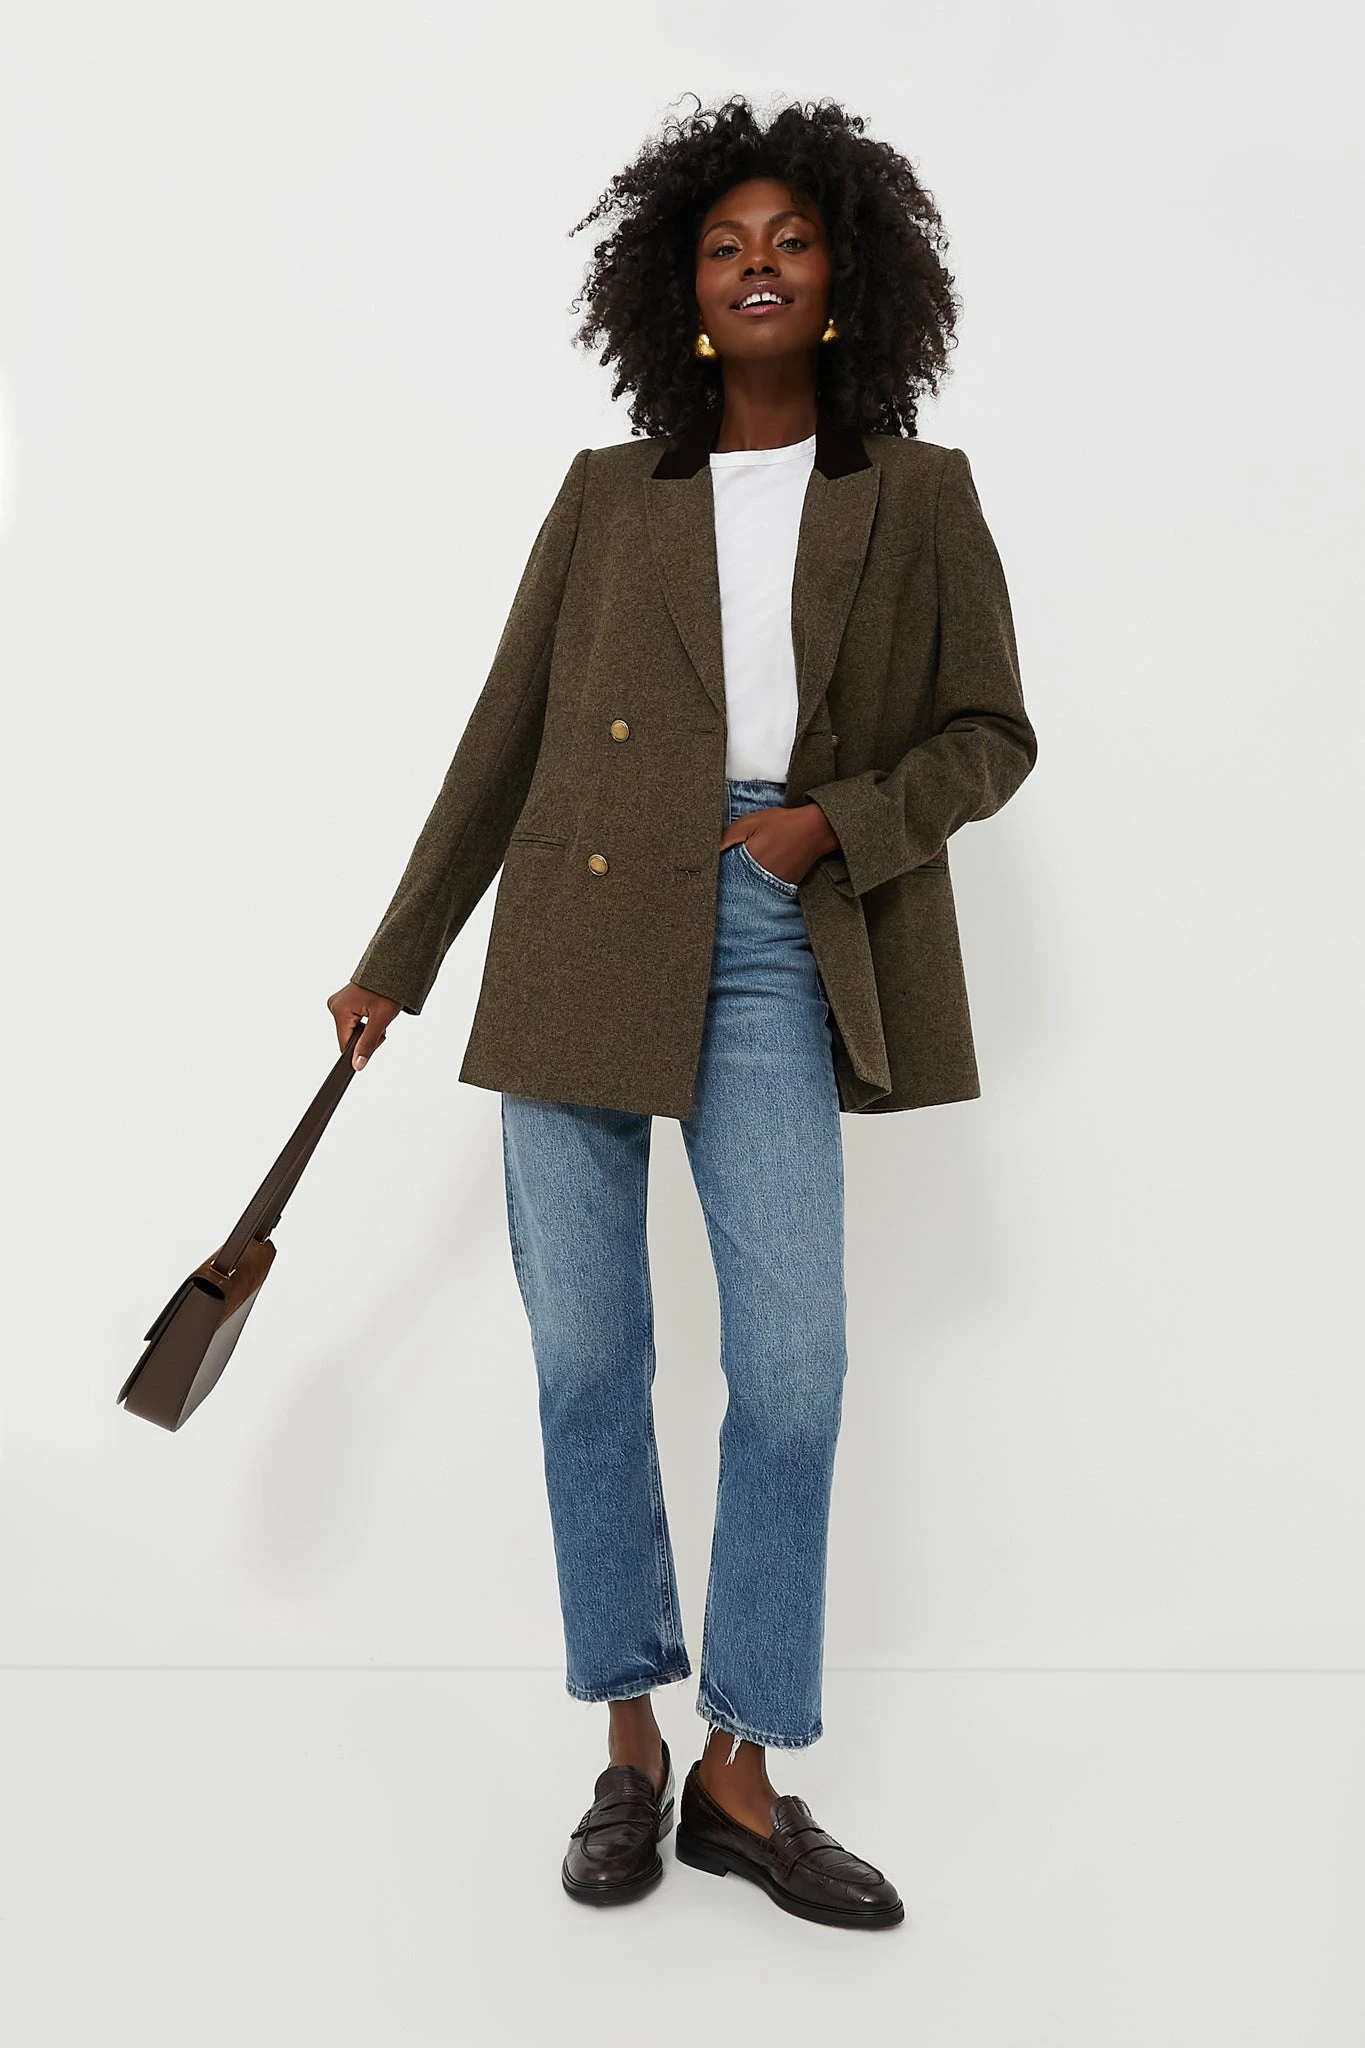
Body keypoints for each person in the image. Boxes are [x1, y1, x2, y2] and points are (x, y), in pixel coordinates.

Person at [327, 93, 1036, 1930]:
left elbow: (992, 734)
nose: (757, 265)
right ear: (682, 293)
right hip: (578, 921)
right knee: (586, 1361)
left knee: (790, 1369)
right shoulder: (605, 494)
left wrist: (832, 825)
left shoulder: (920, 492)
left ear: (848, 275)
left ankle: (743, 1768)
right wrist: (399, 956)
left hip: (771, 922)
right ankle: (632, 1745)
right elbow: (505, 732)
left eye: (790, 239)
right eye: (725, 247)